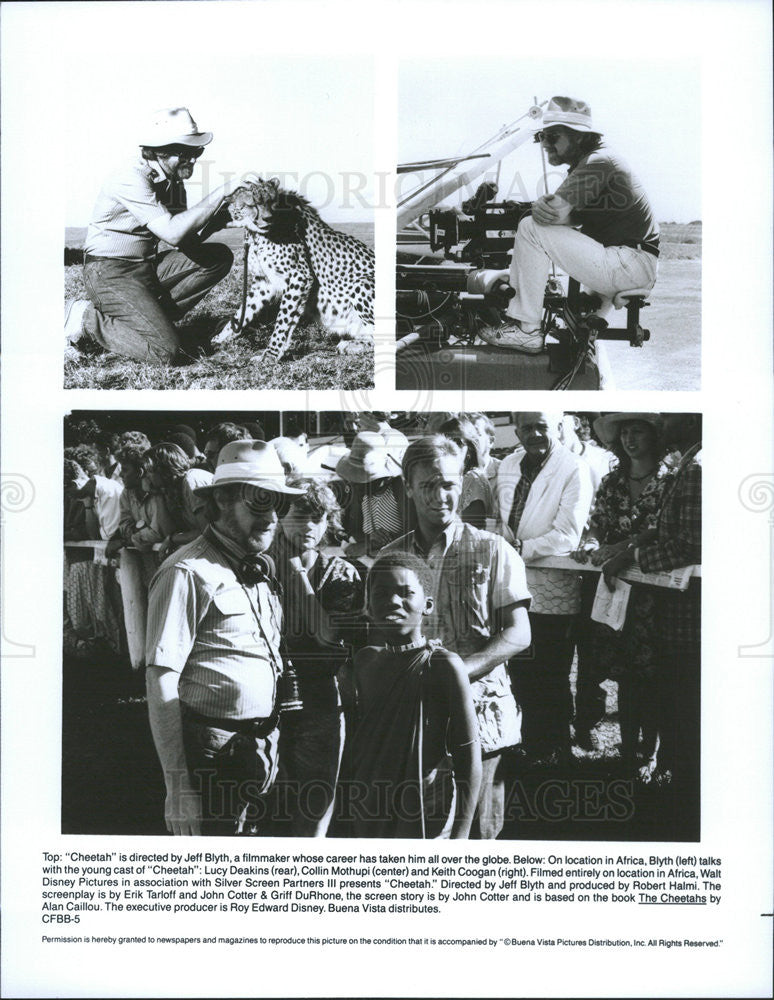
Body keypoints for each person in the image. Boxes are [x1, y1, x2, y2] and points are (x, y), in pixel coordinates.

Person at [145, 440, 305, 836]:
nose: (271, 517)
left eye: (277, 504)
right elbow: (160, 678)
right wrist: (178, 787)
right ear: (220, 500)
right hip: (212, 759)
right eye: (258, 501)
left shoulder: (256, 568)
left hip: (259, 750)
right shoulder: (186, 572)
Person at [382, 436, 531, 838]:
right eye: (428, 485)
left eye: (448, 484)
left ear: (462, 486)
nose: (440, 496)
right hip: (414, 721)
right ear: (408, 486)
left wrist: (459, 673)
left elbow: (519, 633)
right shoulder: (390, 559)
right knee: (417, 833)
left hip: (483, 717)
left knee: (480, 835)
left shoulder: (493, 550)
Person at [480, 96, 659, 354]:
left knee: (531, 228)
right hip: (631, 263)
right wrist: (551, 212)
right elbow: (569, 217)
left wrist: (538, 210)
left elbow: (550, 215)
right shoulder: (597, 161)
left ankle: (526, 329)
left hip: (628, 263)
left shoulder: (598, 162)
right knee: (535, 225)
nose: (545, 145)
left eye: (552, 137)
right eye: (541, 137)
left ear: (578, 137)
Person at [65, 107, 241, 365]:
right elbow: (173, 230)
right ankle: (83, 317)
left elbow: (183, 240)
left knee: (218, 257)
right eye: (185, 153)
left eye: (197, 152)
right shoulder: (130, 177)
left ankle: (149, 324)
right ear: (160, 151)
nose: (193, 160)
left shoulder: (173, 183)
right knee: (165, 352)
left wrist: (218, 222)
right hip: (110, 273)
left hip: (145, 268)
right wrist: (222, 192)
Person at [344, 550, 482, 838]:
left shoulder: (442, 665)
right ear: (368, 606)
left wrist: (462, 835)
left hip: (425, 809)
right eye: (381, 593)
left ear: (427, 604)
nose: (393, 601)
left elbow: (468, 756)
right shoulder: (364, 662)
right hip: (368, 806)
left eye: (406, 593)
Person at [602, 414, 701, 795]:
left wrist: (633, 556)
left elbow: (691, 543)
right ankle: (667, 773)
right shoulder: (690, 465)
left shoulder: (694, 469)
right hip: (651, 601)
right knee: (653, 684)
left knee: (680, 695)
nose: (665, 422)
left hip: (681, 607)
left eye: (670, 418)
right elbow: (667, 528)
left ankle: (679, 781)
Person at [572, 414, 674, 774]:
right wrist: (593, 541)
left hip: (656, 593)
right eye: (625, 433)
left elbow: (660, 530)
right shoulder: (614, 481)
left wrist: (620, 548)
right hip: (617, 592)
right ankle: (627, 751)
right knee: (626, 675)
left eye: (638, 431)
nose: (630, 439)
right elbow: (597, 522)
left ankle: (651, 752)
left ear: (654, 436)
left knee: (653, 674)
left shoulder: (670, 480)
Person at [267, 480, 363, 836]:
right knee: (265, 793)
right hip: (267, 694)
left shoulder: (340, 573)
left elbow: (328, 636)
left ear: (328, 523)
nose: (308, 525)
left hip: (319, 693)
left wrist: (294, 572)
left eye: (318, 517)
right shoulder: (258, 569)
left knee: (315, 799)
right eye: (299, 515)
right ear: (278, 517)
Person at [496, 412, 593, 762]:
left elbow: (568, 534)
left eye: (542, 426)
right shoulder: (508, 463)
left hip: (553, 588)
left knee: (551, 672)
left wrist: (520, 550)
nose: (534, 433)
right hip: (512, 586)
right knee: (520, 668)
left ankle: (556, 748)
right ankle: (530, 744)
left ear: (557, 427)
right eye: (526, 427)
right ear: (516, 429)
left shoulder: (574, 467)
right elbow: (500, 516)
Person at [336, 432, 408, 559]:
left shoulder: (398, 487)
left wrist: (371, 544)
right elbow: (353, 533)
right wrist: (369, 541)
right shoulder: (361, 493)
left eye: (361, 478)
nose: (354, 484)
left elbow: (412, 534)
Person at [146, 442, 213, 557]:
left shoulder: (191, 481)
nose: (147, 476)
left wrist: (172, 539)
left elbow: (208, 532)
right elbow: (169, 531)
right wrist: (158, 495)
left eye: (149, 471)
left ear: (163, 470)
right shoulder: (172, 488)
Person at [439, 416, 495, 530]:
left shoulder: (473, 479)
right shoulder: (454, 477)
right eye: (444, 444)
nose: (451, 449)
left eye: (457, 443)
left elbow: (471, 532)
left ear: (470, 448)